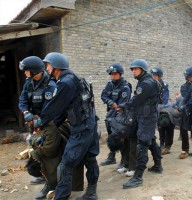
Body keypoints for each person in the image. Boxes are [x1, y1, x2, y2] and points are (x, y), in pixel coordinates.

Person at [36, 52, 99, 200]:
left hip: (81, 128)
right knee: (90, 158)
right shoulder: (75, 78)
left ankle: (62, 196)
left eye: (48, 65)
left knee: (66, 163)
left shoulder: (65, 83)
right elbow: (66, 108)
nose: (46, 68)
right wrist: (55, 124)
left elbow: (53, 108)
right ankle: (91, 192)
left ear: (56, 66)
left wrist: (41, 122)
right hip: (89, 124)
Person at [119, 59, 162, 189]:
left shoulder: (146, 84)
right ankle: (158, 165)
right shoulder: (146, 81)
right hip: (146, 116)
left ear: (143, 70)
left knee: (142, 144)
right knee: (151, 140)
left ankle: (137, 177)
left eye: (136, 69)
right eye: (132, 69)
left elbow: (136, 100)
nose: (133, 71)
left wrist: (123, 106)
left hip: (146, 117)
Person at [18, 56, 55, 198]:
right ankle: (41, 174)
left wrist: (40, 120)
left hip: (47, 124)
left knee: (46, 150)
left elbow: (52, 107)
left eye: (26, 71)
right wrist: (26, 112)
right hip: (33, 122)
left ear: (34, 71)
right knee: (35, 147)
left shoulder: (50, 84)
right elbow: (22, 100)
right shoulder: (28, 83)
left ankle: (51, 180)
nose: (25, 73)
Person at [100, 64, 132, 168]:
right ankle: (111, 156)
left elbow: (122, 106)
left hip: (119, 118)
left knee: (121, 139)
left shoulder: (125, 87)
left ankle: (124, 161)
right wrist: (111, 102)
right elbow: (103, 95)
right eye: (111, 74)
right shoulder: (110, 84)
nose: (112, 76)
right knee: (111, 138)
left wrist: (115, 108)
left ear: (120, 74)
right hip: (110, 116)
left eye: (114, 74)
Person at [150, 67, 175, 155]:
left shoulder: (164, 84)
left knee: (167, 124)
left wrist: (162, 106)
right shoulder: (150, 84)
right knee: (160, 126)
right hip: (155, 108)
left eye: (155, 75)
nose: (153, 77)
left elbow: (165, 96)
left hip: (164, 108)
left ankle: (168, 145)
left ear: (159, 76)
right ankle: (161, 143)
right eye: (152, 75)